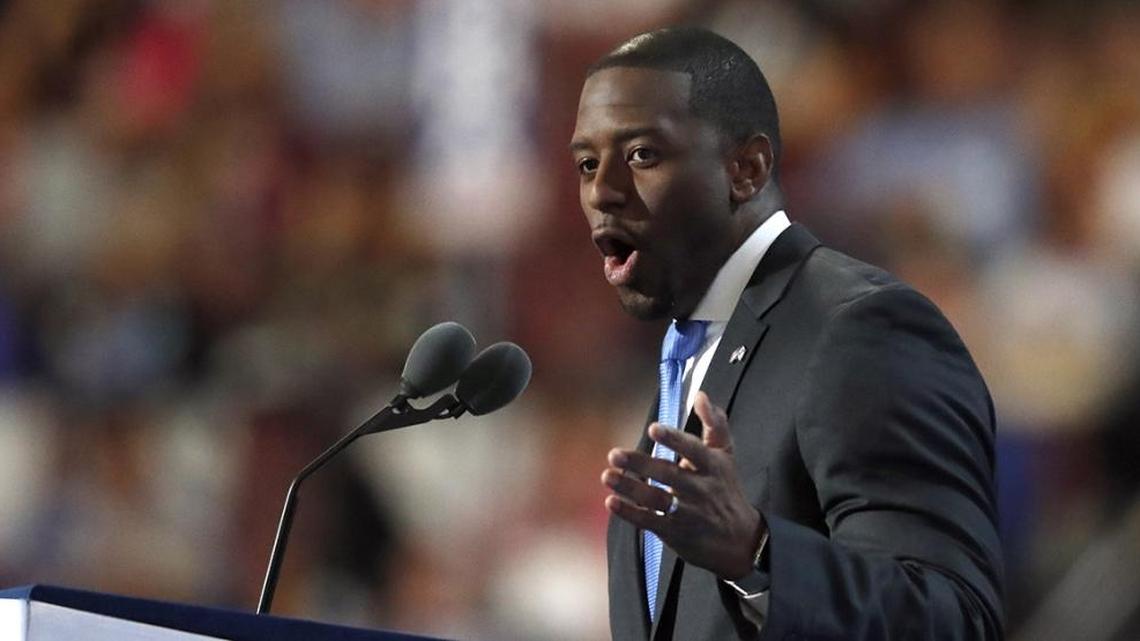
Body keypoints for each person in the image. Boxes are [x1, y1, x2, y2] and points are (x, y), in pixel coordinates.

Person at [570, 27, 1003, 640]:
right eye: (587, 163)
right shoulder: (690, 350)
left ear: (746, 169)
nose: (602, 192)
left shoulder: (860, 329)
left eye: (642, 155)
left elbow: (953, 621)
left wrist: (757, 552)